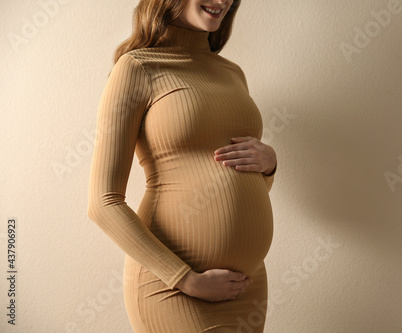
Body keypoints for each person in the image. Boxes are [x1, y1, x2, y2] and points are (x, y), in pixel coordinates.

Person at [86, 0, 277, 331]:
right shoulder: (136, 68)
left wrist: (269, 164)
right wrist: (186, 279)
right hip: (173, 286)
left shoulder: (232, 73)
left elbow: (245, 185)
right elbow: (102, 203)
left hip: (246, 285)